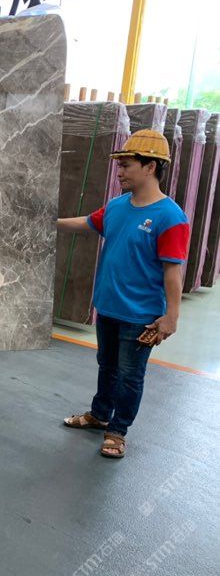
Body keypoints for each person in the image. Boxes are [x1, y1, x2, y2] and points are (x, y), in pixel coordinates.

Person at [57, 129, 190, 459]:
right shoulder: (117, 207)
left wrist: (171, 317)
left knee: (130, 376)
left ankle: (117, 432)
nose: (119, 172)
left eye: (127, 165)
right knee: (107, 366)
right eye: (120, 165)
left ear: (150, 167)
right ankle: (100, 414)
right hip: (108, 307)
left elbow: (172, 272)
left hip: (140, 316)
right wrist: (50, 222)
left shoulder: (171, 217)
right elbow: (87, 223)